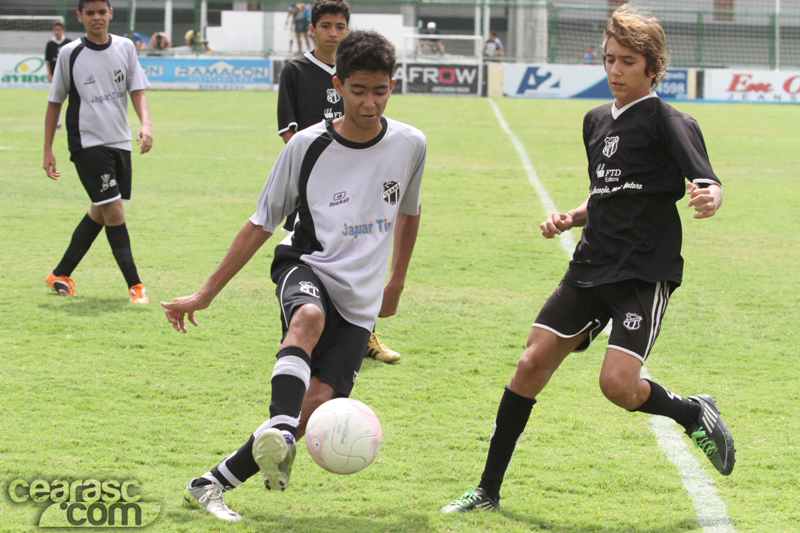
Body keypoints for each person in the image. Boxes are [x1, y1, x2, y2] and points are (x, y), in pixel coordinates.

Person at [441, 4, 734, 514]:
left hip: (644, 270)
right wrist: (571, 217)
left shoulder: (670, 121)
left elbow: (706, 179)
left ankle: (690, 414)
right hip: (592, 263)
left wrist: (711, 195)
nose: (615, 71)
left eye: (626, 62)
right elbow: (606, 192)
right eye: (609, 60)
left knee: (618, 386)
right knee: (530, 363)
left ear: (651, 67)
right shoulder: (595, 120)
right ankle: (487, 489)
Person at [163, 30, 425, 522]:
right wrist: (205, 293)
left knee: (317, 407)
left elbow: (410, 213)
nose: (369, 103)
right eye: (358, 90)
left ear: (393, 85)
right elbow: (261, 223)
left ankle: (209, 484)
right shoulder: (306, 146)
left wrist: (397, 282)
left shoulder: (411, 144)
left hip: (362, 296)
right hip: (306, 263)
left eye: (381, 91)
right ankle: (280, 432)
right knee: (306, 318)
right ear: (338, 84)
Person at [278, 0, 402, 364]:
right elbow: (291, 136)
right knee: (315, 262)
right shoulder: (296, 71)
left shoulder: (362, 70)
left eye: (341, 26)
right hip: (318, 190)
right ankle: (306, 332)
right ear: (312, 29)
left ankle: (367, 335)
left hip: (361, 190)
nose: (334, 33)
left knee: (362, 258)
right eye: (326, 26)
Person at [43, 0, 153, 304]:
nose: (96, 18)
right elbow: (55, 103)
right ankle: (135, 286)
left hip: (120, 140)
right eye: (89, 13)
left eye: (101, 12)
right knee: (114, 210)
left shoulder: (126, 47)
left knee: (101, 211)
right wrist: (48, 150)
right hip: (87, 142)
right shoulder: (69, 53)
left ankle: (60, 274)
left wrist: (146, 124)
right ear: (80, 16)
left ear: (110, 14)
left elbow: (137, 90)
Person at [44, 21, 72, 130]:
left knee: (73, 99)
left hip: (69, 75)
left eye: (59, 30)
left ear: (63, 30)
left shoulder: (69, 43)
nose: (57, 32)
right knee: (55, 99)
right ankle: (57, 123)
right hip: (56, 76)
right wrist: (49, 74)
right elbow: (47, 61)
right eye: (55, 30)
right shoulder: (50, 44)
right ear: (52, 31)